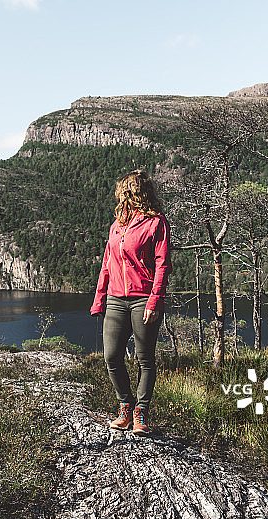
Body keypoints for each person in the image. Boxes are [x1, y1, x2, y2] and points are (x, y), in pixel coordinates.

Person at [90, 169, 171, 436]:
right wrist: (99, 299)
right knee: (111, 356)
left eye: (123, 191)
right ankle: (125, 404)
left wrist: (154, 300)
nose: (119, 196)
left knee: (144, 358)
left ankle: (141, 412)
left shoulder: (156, 223)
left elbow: (163, 265)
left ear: (133, 193)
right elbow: (107, 264)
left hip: (143, 300)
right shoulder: (117, 226)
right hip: (115, 298)